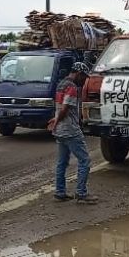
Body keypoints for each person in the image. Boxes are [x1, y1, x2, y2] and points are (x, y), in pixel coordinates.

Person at [47, 62, 98, 205]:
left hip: (60, 131)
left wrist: (56, 121)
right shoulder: (72, 87)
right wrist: (57, 121)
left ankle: (60, 192)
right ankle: (81, 193)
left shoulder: (61, 84)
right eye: (84, 77)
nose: (84, 81)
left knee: (62, 162)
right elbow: (65, 108)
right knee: (85, 161)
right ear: (78, 73)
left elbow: (59, 108)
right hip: (70, 129)